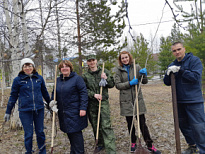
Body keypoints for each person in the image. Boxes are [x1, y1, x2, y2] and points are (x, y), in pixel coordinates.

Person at [114, 51, 161, 154]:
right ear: (120, 60)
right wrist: (130, 83)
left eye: (126, 57)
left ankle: (149, 145)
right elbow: (117, 85)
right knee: (130, 123)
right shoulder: (118, 70)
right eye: (122, 58)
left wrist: (144, 75)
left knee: (142, 124)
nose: (125, 59)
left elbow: (144, 81)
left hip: (137, 100)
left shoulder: (137, 67)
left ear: (129, 57)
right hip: (126, 101)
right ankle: (133, 142)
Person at [163, 41, 205, 154]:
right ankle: (192, 146)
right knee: (184, 126)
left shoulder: (194, 61)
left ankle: (203, 150)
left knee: (199, 128)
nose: (177, 52)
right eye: (174, 51)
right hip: (179, 102)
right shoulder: (172, 65)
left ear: (184, 49)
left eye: (179, 49)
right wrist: (168, 73)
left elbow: (195, 77)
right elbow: (167, 82)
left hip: (194, 101)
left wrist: (181, 70)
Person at [4, 58, 50, 154]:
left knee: (40, 132)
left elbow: (45, 93)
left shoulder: (39, 78)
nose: (28, 68)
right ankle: (28, 151)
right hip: (25, 111)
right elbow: (13, 96)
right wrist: (8, 111)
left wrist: (50, 104)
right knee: (28, 134)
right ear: (22, 68)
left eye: (30, 66)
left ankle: (42, 151)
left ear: (33, 67)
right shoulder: (18, 80)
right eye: (25, 66)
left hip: (39, 109)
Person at [50, 60, 88, 154]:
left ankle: (79, 152)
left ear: (70, 68)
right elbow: (54, 93)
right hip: (63, 112)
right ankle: (73, 151)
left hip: (75, 112)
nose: (64, 68)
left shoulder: (77, 79)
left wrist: (83, 108)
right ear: (60, 69)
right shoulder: (58, 80)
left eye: (66, 66)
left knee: (76, 134)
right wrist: (52, 103)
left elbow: (83, 93)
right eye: (62, 67)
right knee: (70, 134)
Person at [82, 55, 116, 154]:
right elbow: (84, 90)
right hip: (92, 104)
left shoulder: (104, 71)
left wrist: (106, 78)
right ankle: (100, 143)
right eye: (89, 61)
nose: (92, 62)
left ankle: (110, 148)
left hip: (103, 102)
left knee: (105, 125)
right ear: (87, 63)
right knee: (95, 124)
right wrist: (93, 94)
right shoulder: (85, 76)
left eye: (93, 60)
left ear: (96, 61)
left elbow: (112, 84)